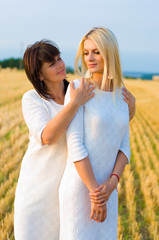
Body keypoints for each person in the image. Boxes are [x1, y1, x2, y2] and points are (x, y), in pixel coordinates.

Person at [14, 40, 95, 240]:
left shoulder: (79, 91)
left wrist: (131, 108)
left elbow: (107, 123)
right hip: (36, 193)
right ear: (39, 75)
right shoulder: (32, 99)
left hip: (69, 194)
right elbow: (47, 136)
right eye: (52, 63)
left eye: (59, 58)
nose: (60, 65)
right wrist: (75, 103)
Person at [59, 27, 132, 240]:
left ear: (110, 53)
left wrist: (111, 185)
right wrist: (96, 194)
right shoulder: (77, 89)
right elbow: (75, 145)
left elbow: (125, 147)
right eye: (85, 52)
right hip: (79, 190)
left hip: (108, 193)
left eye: (96, 51)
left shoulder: (122, 96)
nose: (89, 58)